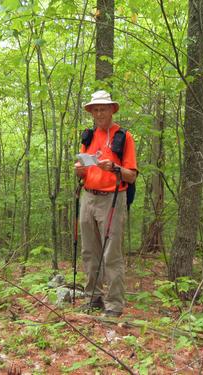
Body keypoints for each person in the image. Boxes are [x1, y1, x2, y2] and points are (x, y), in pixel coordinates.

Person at [74, 90, 138, 317]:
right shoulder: (88, 137)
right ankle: (93, 298)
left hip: (112, 198)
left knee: (111, 254)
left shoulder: (123, 136)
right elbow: (83, 171)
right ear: (91, 112)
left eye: (103, 108)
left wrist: (115, 168)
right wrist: (80, 171)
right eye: (96, 109)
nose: (99, 113)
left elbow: (131, 175)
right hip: (88, 197)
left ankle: (114, 305)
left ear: (112, 110)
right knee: (89, 252)